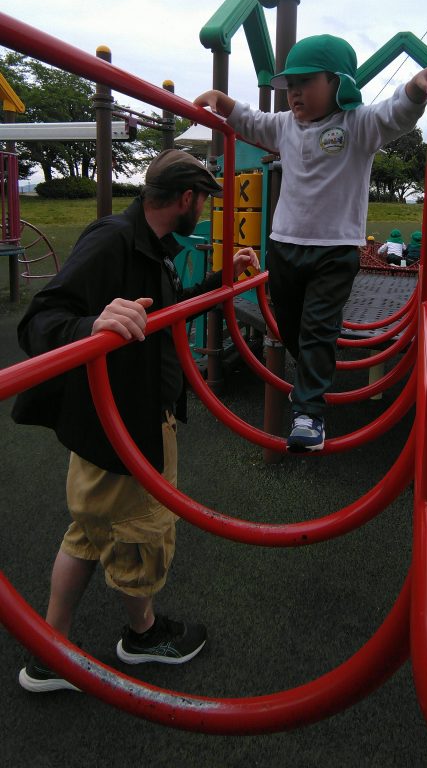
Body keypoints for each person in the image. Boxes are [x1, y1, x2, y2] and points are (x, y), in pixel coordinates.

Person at [12, 149, 259, 692]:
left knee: (89, 532)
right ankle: (142, 635)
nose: (204, 210)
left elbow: (167, 313)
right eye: (204, 200)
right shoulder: (115, 240)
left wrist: (223, 278)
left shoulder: (149, 244)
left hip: (120, 419)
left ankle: (49, 651)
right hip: (125, 426)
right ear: (187, 199)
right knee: (141, 534)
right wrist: (90, 326)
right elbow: (40, 320)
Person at [194, 33, 427, 453]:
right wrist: (224, 103)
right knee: (289, 326)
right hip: (284, 245)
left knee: (318, 328)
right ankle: (309, 376)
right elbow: (252, 121)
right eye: (290, 85)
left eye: (306, 82)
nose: (295, 93)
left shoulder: (357, 125)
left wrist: (415, 88)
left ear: (338, 83)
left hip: (335, 250)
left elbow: (395, 114)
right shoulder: (286, 125)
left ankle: (309, 414)